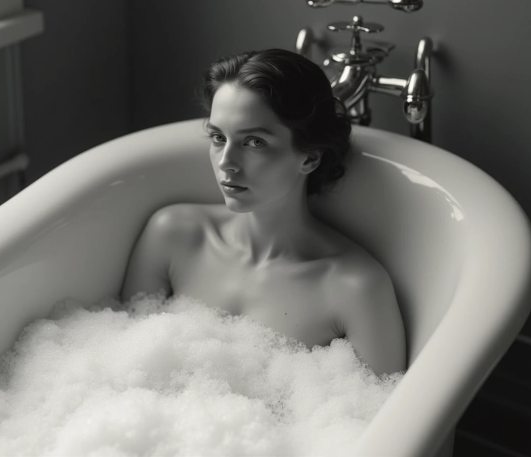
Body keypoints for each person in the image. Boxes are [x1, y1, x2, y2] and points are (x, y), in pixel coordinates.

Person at [121, 48, 406, 376]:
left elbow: (382, 417)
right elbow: (124, 367)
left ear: (310, 158)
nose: (226, 162)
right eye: (218, 137)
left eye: (253, 142)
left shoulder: (355, 287)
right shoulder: (173, 235)